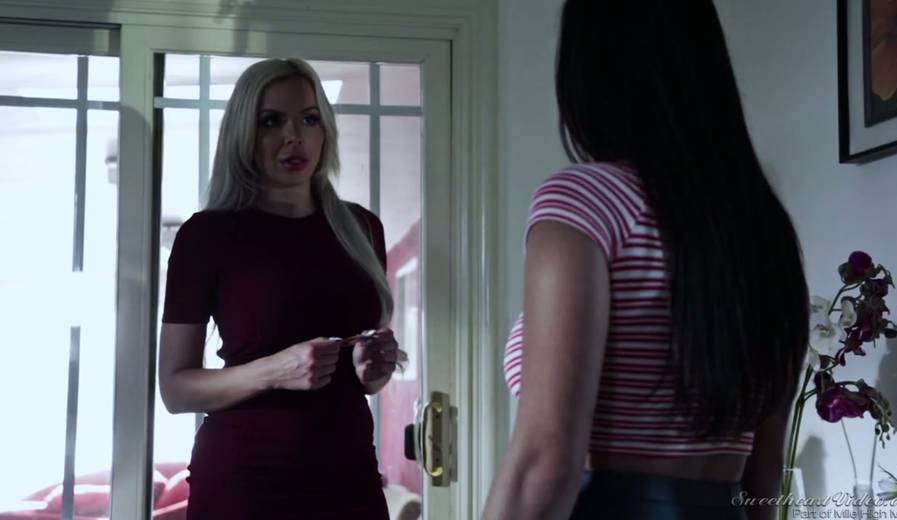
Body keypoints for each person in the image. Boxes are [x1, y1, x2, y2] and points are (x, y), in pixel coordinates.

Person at [482, 2, 809, 519]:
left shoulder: (588, 201)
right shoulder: (763, 228)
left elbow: (544, 467)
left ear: (589, 70)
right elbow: (764, 475)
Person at [158, 58, 402, 520]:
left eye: (309, 119)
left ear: (325, 129)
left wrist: (373, 369)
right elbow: (175, 389)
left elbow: (366, 380)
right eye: (271, 121)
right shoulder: (206, 236)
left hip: (348, 475)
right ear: (243, 134)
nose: (294, 137)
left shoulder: (362, 228)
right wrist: (274, 370)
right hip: (244, 481)